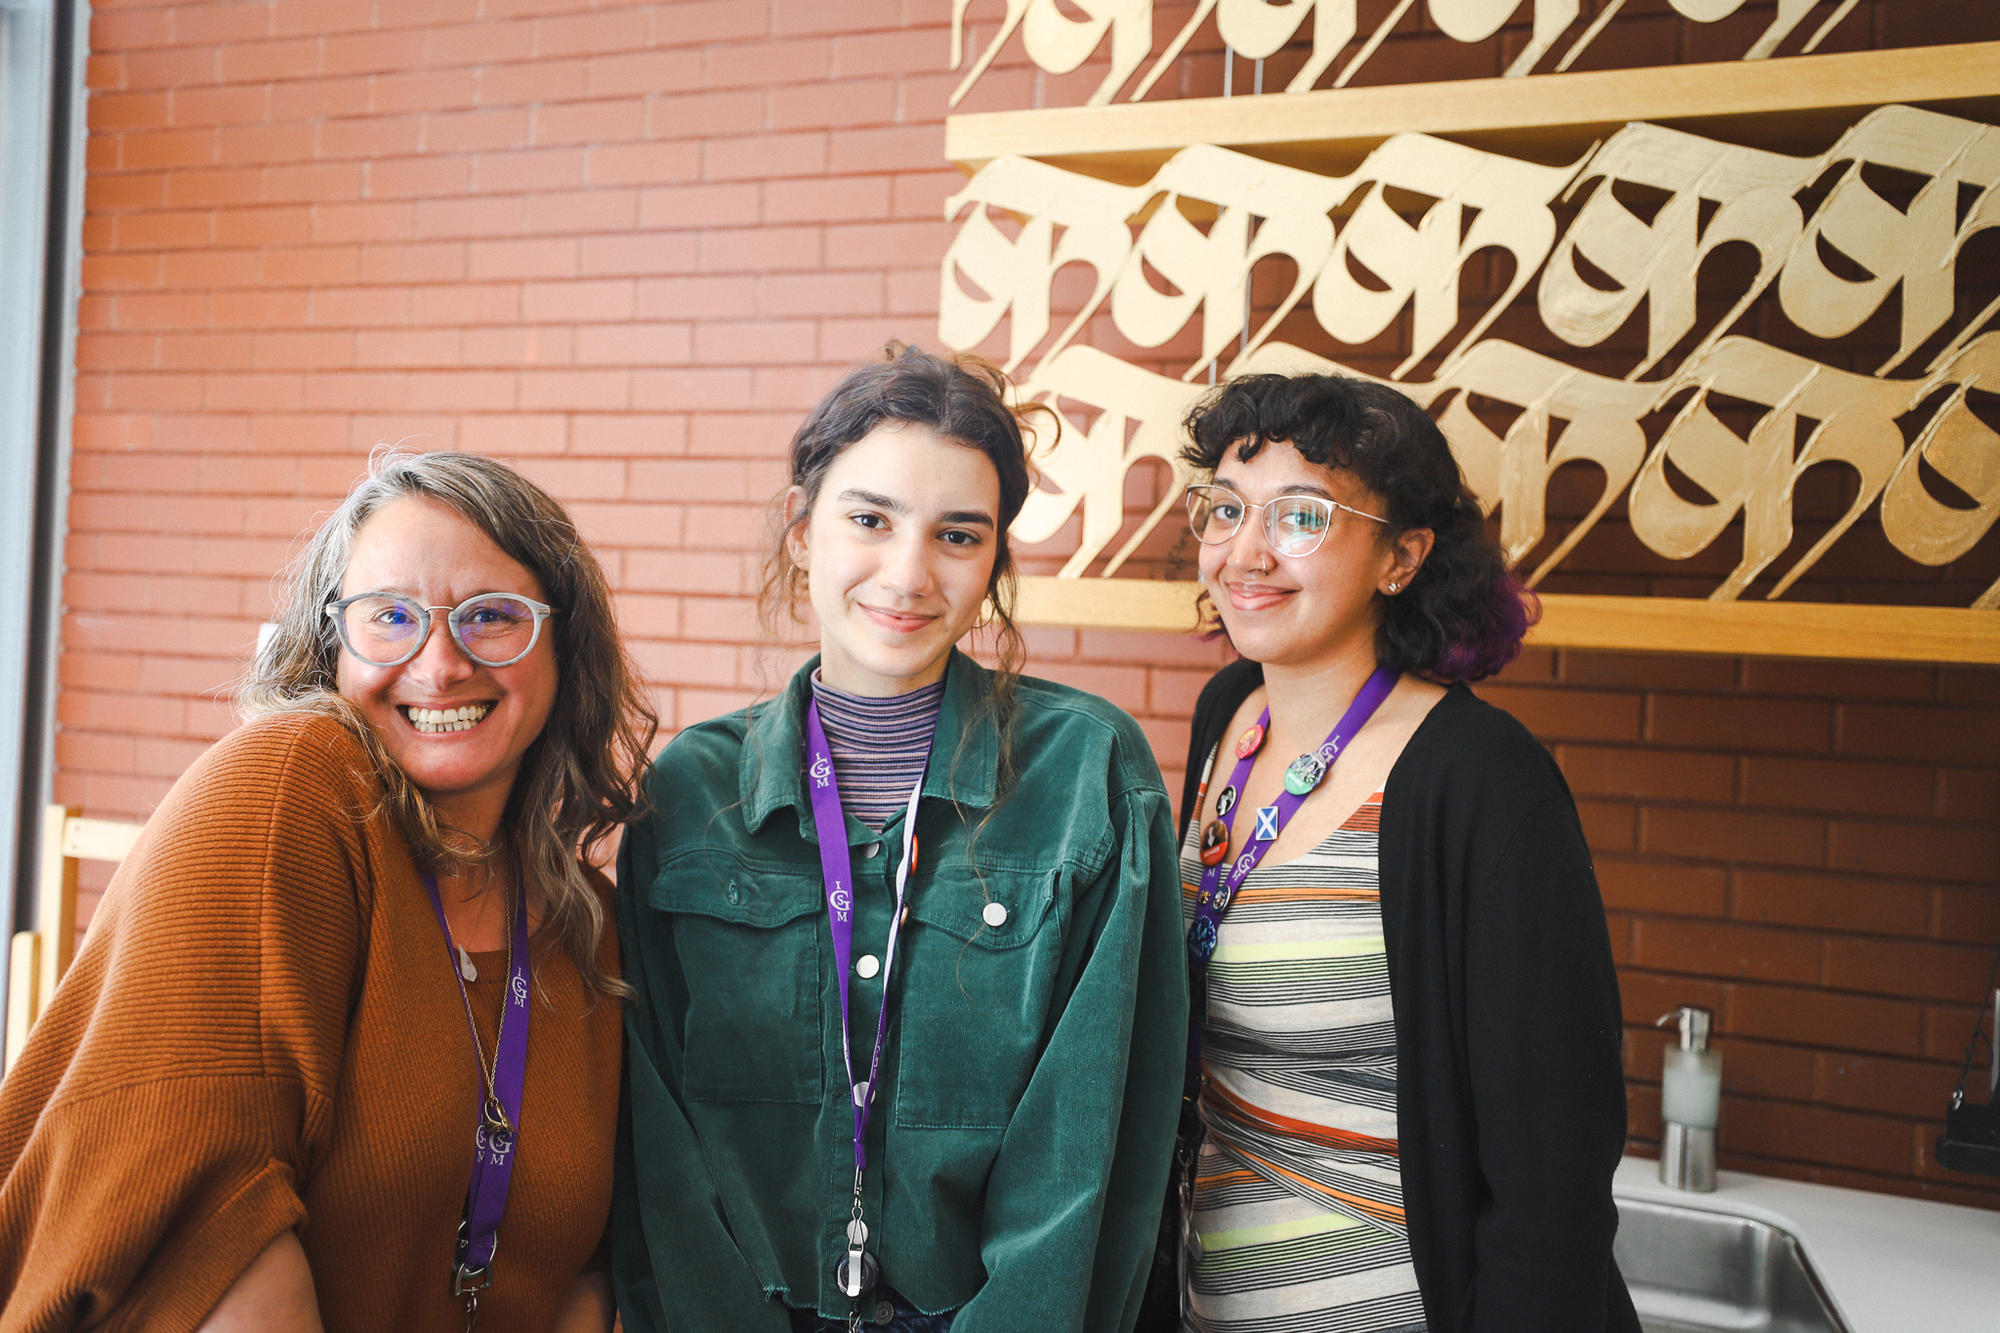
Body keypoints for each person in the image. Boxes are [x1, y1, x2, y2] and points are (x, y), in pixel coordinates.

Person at [0, 450, 657, 1332]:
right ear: (331, 641)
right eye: (389, 616)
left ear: (562, 642)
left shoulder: (589, 922)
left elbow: (582, 1273)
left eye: (491, 616)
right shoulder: (293, 789)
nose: (440, 664)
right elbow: (203, 1219)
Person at [611, 345, 1187, 1333]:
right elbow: (652, 1139)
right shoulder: (688, 790)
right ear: (802, 531)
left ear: (993, 561)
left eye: (957, 535)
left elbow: (1094, 1143)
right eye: (869, 519)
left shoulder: (1086, 773)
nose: (909, 573)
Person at [1164, 373, 1638, 1332]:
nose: (1245, 553)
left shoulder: (1481, 782)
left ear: (1402, 555)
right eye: (1226, 509)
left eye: (1300, 515)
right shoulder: (1229, 719)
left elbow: (1554, 1180)